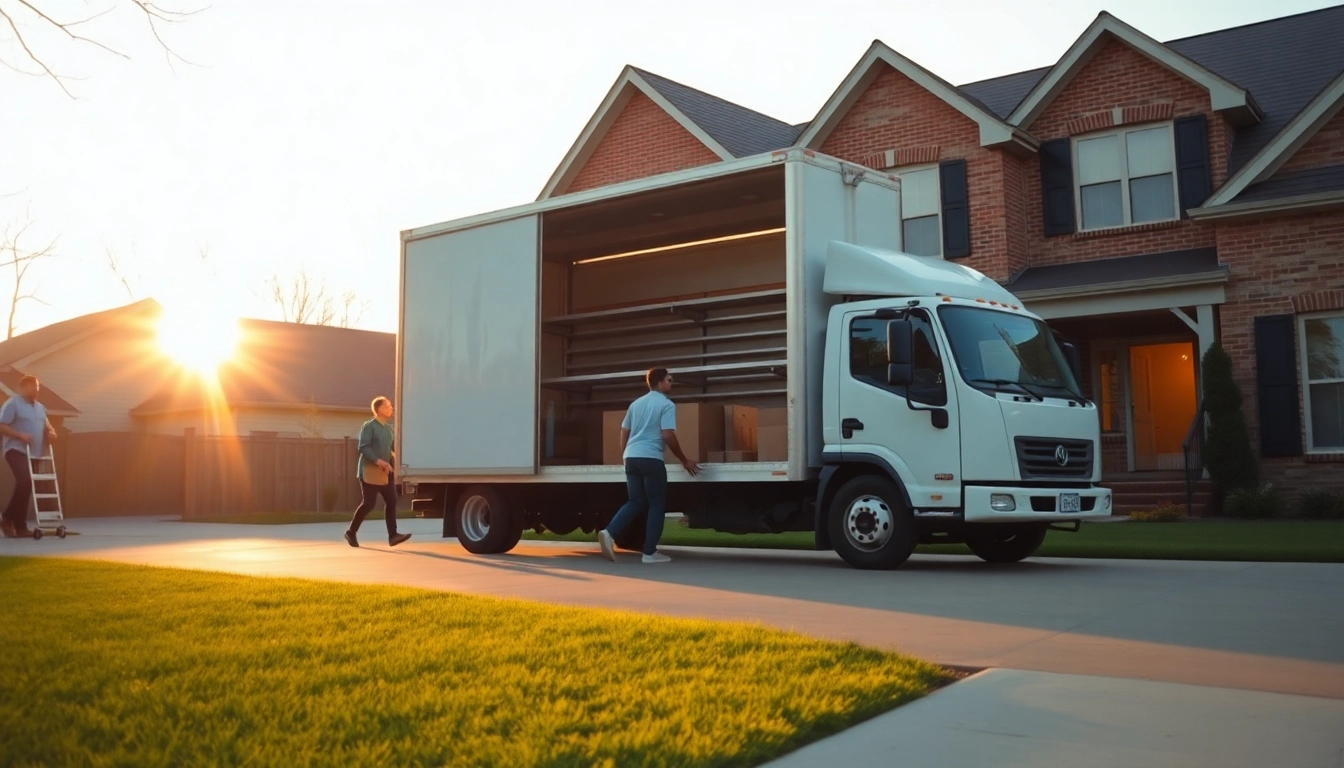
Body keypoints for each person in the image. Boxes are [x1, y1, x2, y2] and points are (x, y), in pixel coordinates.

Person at [598, 368, 700, 564]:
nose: (671, 383)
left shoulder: (636, 404)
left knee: (635, 501)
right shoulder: (666, 404)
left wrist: (625, 454)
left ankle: (609, 532)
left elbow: (624, 431)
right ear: (660, 382)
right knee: (656, 504)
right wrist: (684, 460)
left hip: (631, 456)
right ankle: (649, 553)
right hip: (651, 458)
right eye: (669, 380)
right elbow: (667, 434)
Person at [344, 396, 411, 548]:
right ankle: (351, 532)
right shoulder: (369, 426)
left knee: (392, 501)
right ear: (379, 409)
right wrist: (379, 461)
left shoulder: (388, 429)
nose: (391, 408)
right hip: (370, 472)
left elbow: (393, 449)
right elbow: (363, 447)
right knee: (368, 504)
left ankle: (393, 536)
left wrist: (401, 460)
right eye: (388, 406)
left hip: (385, 473)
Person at [0, 376, 57, 539]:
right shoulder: (13, 404)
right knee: (25, 481)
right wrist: (19, 435)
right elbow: (1, 425)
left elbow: (47, 425)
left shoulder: (40, 408)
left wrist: (51, 432)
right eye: (32, 386)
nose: (36, 390)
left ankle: (18, 525)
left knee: (26, 487)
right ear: (23, 388)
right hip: (15, 450)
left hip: (35, 453)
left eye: (37, 387)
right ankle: (8, 518)